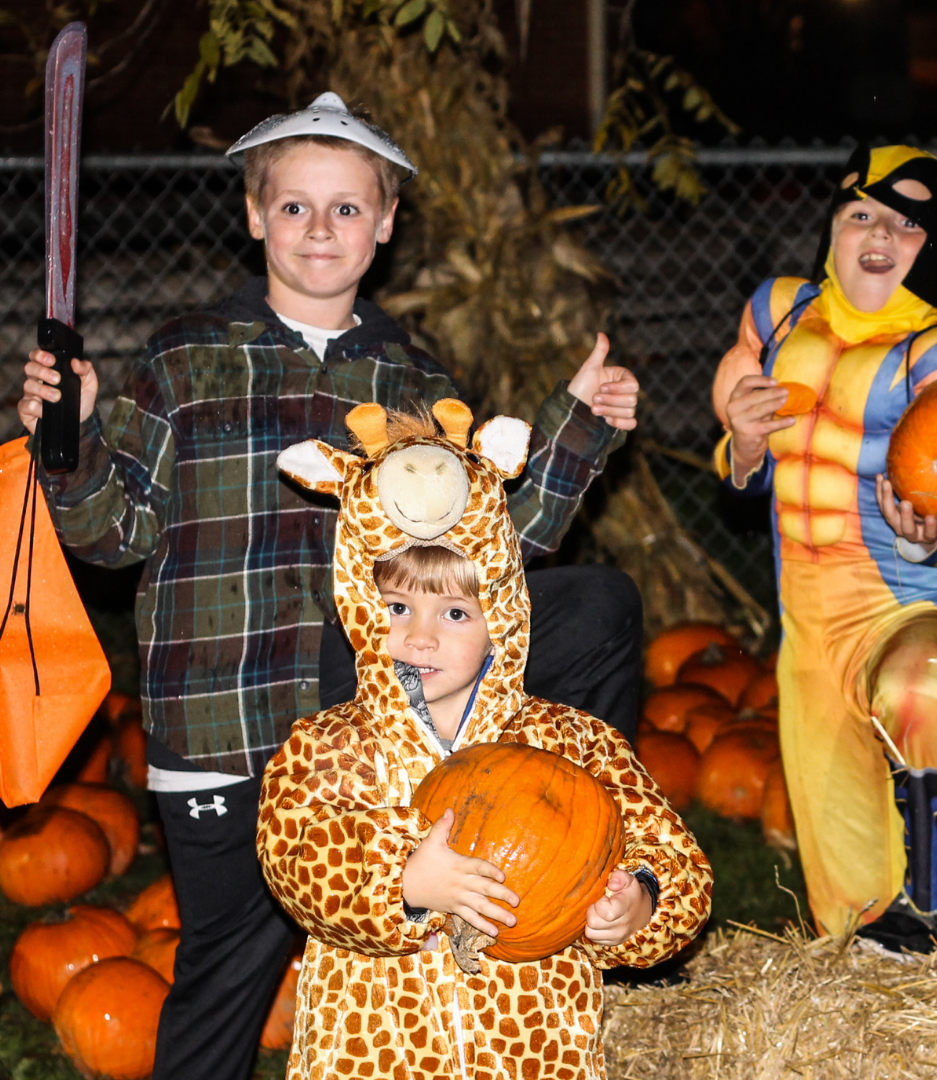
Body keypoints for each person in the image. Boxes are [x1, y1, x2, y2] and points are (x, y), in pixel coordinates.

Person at [15, 93, 641, 1079]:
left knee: (597, 609)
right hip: (223, 726)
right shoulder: (183, 360)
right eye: (295, 207)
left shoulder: (411, 384)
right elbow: (111, 536)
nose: (320, 229)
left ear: (385, 224)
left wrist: (574, 431)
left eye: (348, 209)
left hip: (362, 742)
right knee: (232, 967)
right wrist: (74, 440)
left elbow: (483, 564)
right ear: (255, 216)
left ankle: (583, 832)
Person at [261, 401, 709, 1079]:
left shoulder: (572, 743)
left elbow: (670, 852)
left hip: (534, 1049)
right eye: (397, 607)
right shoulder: (331, 747)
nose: (421, 636)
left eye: (455, 612)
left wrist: (641, 901)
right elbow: (293, 854)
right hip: (374, 1053)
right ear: (358, 605)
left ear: (500, 615)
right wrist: (403, 882)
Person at [710, 145, 937, 954]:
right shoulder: (778, 317)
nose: (878, 233)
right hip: (808, 622)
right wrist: (744, 446)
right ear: (832, 227)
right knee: (847, 913)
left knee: (922, 689)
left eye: (906, 224)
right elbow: (736, 466)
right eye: (861, 213)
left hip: (914, 602)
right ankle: (885, 974)